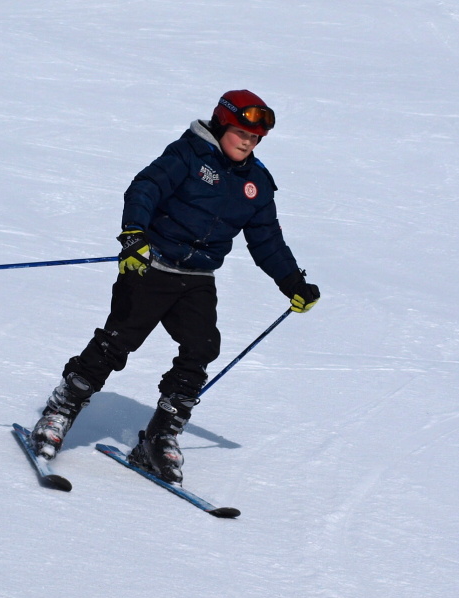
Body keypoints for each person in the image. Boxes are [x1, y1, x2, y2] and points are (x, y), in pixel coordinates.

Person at [29, 89, 320, 484]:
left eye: (255, 138)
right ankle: (61, 410)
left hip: (197, 278)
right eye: (241, 133)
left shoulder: (256, 182)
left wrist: (292, 282)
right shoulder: (187, 155)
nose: (247, 143)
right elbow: (144, 189)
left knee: (202, 347)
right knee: (119, 340)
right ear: (221, 124)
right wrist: (134, 234)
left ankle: (160, 435)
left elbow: (266, 239)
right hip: (151, 264)